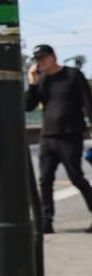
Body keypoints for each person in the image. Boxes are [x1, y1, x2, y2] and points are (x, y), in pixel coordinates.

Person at [25, 43, 92, 233]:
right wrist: (32, 83)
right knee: (45, 180)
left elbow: (88, 102)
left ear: (53, 56)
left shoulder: (72, 75)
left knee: (76, 177)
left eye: (43, 58)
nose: (41, 62)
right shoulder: (42, 79)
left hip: (70, 135)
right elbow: (28, 106)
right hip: (47, 137)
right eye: (38, 59)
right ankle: (46, 222)